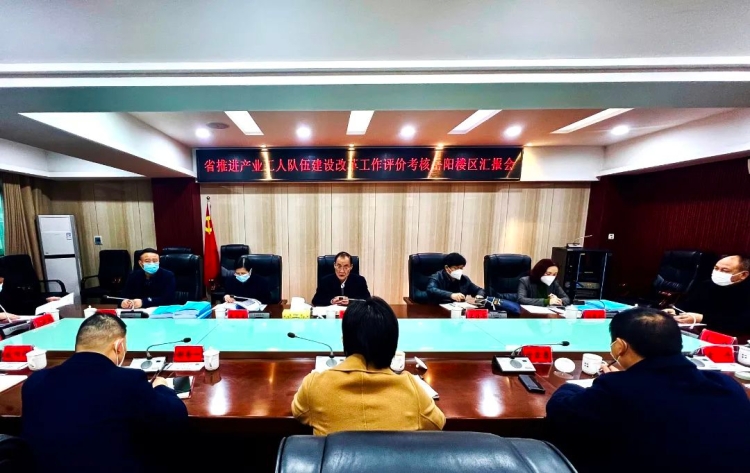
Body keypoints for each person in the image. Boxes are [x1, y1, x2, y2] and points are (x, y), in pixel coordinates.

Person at [546, 307, 750, 473]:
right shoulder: (727, 385)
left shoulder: (617, 390)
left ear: (619, 346)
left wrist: (574, 385)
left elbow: (559, 410)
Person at [22, 313, 188, 473]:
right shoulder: (128, 381)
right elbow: (175, 416)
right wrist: (161, 387)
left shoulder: (35, 382)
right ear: (119, 346)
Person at [292, 297, 445, 435]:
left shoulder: (315, 385)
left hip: (336, 459)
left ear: (344, 340)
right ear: (393, 343)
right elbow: (438, 423)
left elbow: (298, 412)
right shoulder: (412, 390)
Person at [664, 255, 750, 334]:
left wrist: (702, 318)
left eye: (725, 270)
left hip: (731, 336)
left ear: (743, 275)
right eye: (716, 268)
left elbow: (741, 323)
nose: (718, 272)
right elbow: (689, 304)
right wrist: (675, 311)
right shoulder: (707, 285)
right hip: (696, 330)